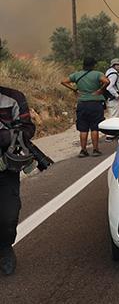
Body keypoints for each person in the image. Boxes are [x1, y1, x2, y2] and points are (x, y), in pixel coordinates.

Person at [0, 86, 37, 275]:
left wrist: (7, 137)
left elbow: (28, 128)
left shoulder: (13, 98)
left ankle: (5, 247)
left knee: (8, 216)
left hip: (5, 168)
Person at [61, 57, 110, 158]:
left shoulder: (76, 74)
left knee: (83, 129)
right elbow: (107, 81)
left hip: (82, 104)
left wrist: (74, 89)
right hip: (95, 104)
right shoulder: (97, 74)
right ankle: (95, 150)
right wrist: (100, 90)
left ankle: (83, 150)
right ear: (93, 65)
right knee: (94, 127)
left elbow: (63, 81)